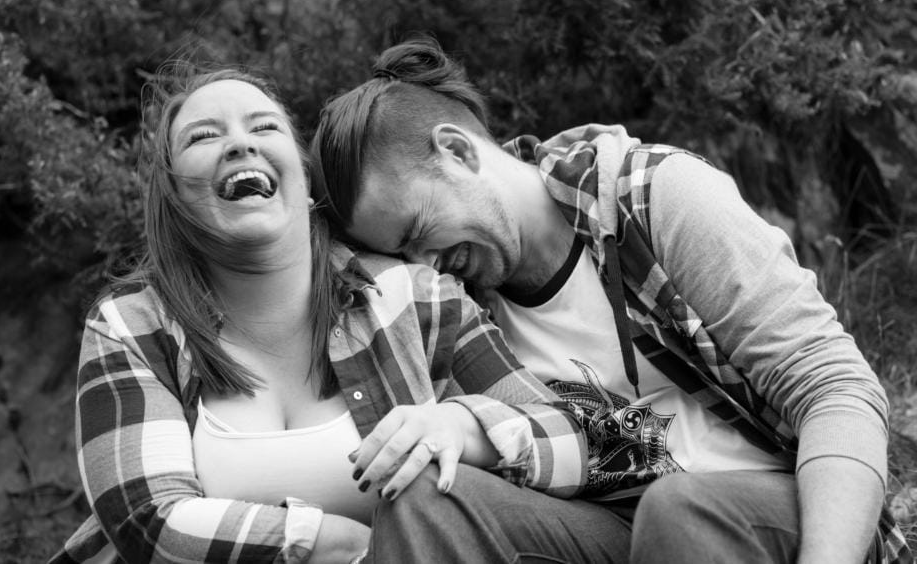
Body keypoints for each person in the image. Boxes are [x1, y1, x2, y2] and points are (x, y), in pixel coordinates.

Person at [310, 37, 914, 564]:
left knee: (680, 510)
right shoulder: (466, 309)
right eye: (401, 255)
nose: (425, 266)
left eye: (417, 234)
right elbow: (613, 449)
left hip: (775, 515)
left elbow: (836, 389)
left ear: (460, 152)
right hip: (620, 525)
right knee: (428, 500)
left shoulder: (653, 196)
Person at [50, 64, 635, 564]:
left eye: (264, 127)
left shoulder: (413, 299)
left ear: (304, 184)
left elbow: (609, 447)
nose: (240, 143)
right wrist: (329, 541)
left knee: (424, 494)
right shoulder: (132, 326)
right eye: (204, 136)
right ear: (174, 198)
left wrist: (468, 426)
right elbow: (148, 522)